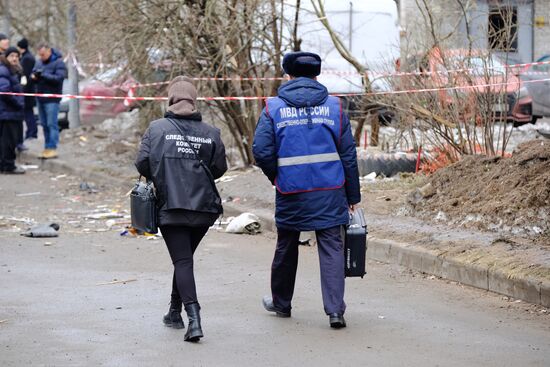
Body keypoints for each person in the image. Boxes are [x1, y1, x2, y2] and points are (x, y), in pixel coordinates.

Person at [253, 51, 360, 328]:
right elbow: (348, 155)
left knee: (286, 245)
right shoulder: (335, 107)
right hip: (330, 190)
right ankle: (335, 311)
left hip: (292, 191)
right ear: (317, 75)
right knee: (332, 246)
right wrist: (352, 197)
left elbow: (262, 151)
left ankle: (281, 303)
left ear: (288, 75)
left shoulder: (273, 108)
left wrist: (278, 177)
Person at [135, 76, 227, 342]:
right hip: (204, 210)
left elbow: (142, 164)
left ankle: (194, 320)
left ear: (171, 99)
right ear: (194, 101)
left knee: (183, 261)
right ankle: (174, 312)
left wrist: (162, 172)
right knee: (184, 259)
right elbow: (220, 168)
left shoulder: (157, 128)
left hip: (171, 207)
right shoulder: (211, 133)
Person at [31, 42, 66, 159]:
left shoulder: (59, 63)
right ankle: (47, 147)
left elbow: (59, 79)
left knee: (52, 124)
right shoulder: (38, 62)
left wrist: (44, 75)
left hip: (52, 98)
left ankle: (52, 148)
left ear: (49, 51)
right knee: (44, 124)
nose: (41, 57)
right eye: (40, 55)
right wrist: (34, 77)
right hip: (40, 98)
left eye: (43, 55)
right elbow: (34, 75)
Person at [0, 47, 25, 174]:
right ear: (6, 57)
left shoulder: (12, 70)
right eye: (12, 56)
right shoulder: (4, 70)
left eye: (16, 56)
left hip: (8, 111)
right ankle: (8, 165)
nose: (15, 59)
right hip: (8, 112)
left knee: (5, 140)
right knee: (9, 141)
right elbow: (5, 92)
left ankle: (4, 165)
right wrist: (18, 103)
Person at [16, 38, 37, 149]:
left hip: (27, 91)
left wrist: (22, 89)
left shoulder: (27, 59)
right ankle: (31, 132)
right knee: (28, 113)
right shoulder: (26, 57)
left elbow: (25, 75)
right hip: (27, 90)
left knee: (28, 113)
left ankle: (32, 132)